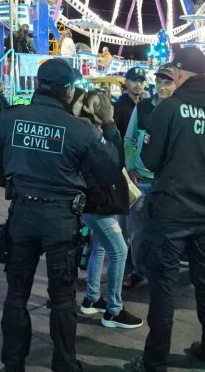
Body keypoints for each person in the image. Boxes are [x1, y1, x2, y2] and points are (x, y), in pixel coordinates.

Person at [0, 58, 123, 372]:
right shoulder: (79, 129)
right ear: (68, 90)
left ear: (38, 84)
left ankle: (12, 366)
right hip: (61, 219)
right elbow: (110, 170)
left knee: (16, 294)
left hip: (22, 215)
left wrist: (15, 183)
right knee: (62, 298)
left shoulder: (10, 119)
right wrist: (109, 126)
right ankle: (65, 366)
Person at [127, 47, 205, 372]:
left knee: (163, 286)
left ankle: (154, 361)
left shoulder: (169, 108)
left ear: (180, 70)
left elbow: (149, 160)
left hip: (171, 212)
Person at [71, 90, 144, 329]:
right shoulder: (92, 135)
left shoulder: (78, 130)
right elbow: (115, 161)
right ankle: (114, 310)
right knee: (119, 251)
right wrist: (111, 124)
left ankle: (92, 297)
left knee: (100, 249)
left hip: (92, 202)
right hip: (98, 204)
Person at [122, 64, 176, 289]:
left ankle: (161, 271)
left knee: (166, 231)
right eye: (159, 81)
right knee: (138, 232)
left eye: (167, 82)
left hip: (168, 183)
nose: (162, 87)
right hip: (142, 180)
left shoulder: (178, 109)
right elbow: (129, 139)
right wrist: (131, 167)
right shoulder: (143, 107)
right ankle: (137, 269)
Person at [114, 67, 146, 138]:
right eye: (134, 80)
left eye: (141, 81)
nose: (138, 84)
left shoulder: (145, 105)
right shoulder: (118, 106)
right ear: (126, 82)